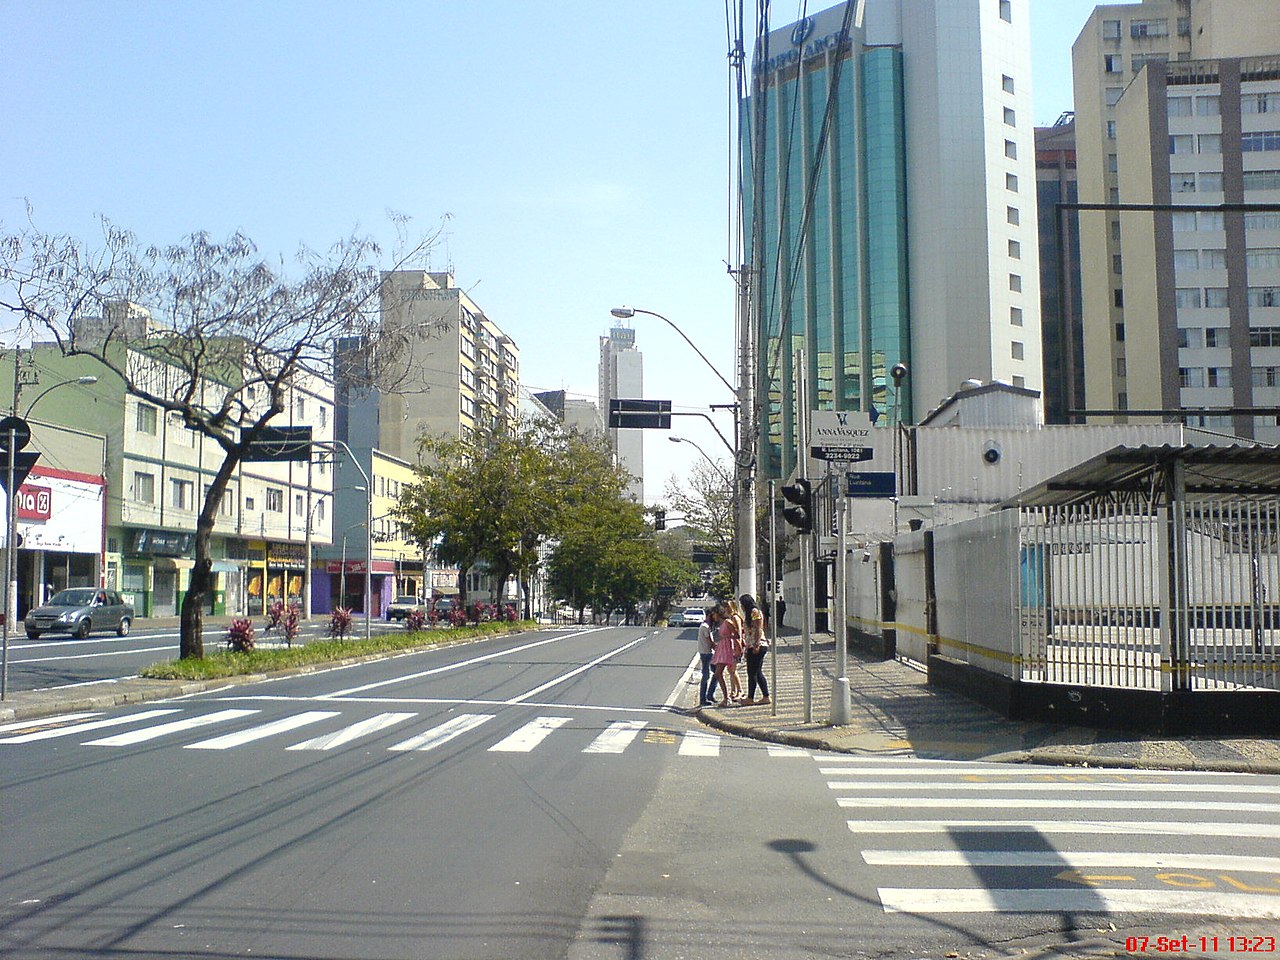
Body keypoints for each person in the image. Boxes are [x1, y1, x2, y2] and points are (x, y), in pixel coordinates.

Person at [740, 593, 770, 705]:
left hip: (758, 645)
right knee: (757, 672)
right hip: (751, 645)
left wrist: (756, 644)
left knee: (752, 673)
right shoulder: (749, 613)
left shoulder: (754, 612)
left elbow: (758, 629)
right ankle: (765, 696)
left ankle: (750, 698)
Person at [709, 604, 737, 707]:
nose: (713, 616)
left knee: (718, 673)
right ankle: (726, 697)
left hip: (727, 648)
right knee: (718, 673)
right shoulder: (720, 624)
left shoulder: (727, 622)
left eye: (714, 614)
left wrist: (727, 636)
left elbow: (737, 634)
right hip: (721, 648)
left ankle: (727, 698)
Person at [724, 598, 746, 701]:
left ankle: (740, 690)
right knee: (730, 669)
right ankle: (733, 690)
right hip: (731, 646)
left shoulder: (735, 618)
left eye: (728, 607)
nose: (726, 609)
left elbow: (739, 634)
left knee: (732, 669)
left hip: (736, 646)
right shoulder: (731, 617)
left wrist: (739, 647)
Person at [696, 607, 716, 706]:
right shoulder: (705, 627)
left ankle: (710, 694)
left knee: (716, 673)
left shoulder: (707, 626)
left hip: (707, 653)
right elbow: (710, 642)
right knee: (706, 675)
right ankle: (703, 698)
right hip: (706, 653)